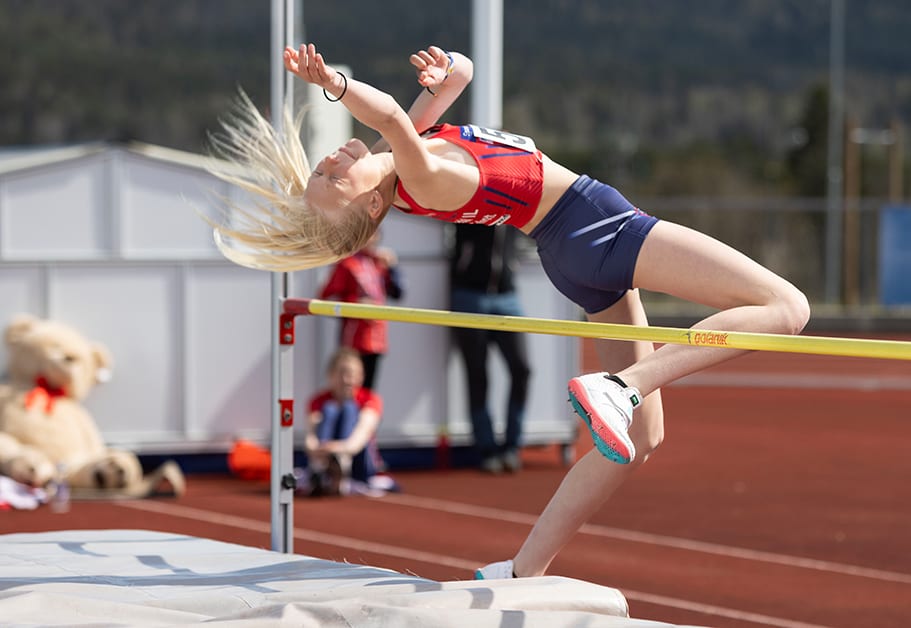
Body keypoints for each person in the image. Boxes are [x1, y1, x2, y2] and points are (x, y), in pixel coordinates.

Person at [208, 43, 810, 579]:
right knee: (787, 307)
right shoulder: (419, 170)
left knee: (643, 437)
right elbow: (389, 114)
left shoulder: (407, 157)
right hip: (593, 225)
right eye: (332, 179)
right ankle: (622, 387)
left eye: (321, 168)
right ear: (369, 205)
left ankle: (523, 569)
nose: (331, 161)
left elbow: (456, 80)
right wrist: (334, 85)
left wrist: (445, 69)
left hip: (569, 248)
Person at [449, 224, 531, 474]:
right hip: (470, 296)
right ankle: (486, 449)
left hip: (507, 295)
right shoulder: (471, 205)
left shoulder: (515, 207)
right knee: (478, 373)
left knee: (522, 369)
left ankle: (511, 446)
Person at [303, 347, 397, 497]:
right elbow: (310, 434)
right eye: (342, 373)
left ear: (361, 376)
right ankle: (321, 470)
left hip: (357, 459)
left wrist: (337, 449)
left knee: (349, 408)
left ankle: (341, 467)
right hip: (325, 453)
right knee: (330, 409)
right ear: (330, 375)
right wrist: (317, 449)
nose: (348, 380)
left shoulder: (370, 399)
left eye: (353, 374)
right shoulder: (319, 401)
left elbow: (359, 438)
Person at [318, 228, 403, 391]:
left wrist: (393, 268)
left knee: (368, 392)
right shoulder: (347, 263)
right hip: (354, 340)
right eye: (367, 233)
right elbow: (326, 299)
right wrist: (357, 304)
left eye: (375, 233)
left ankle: (367, 416)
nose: (372, 238)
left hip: (377, 338)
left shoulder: (379, 263)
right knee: (349, 390)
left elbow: (398, 292)